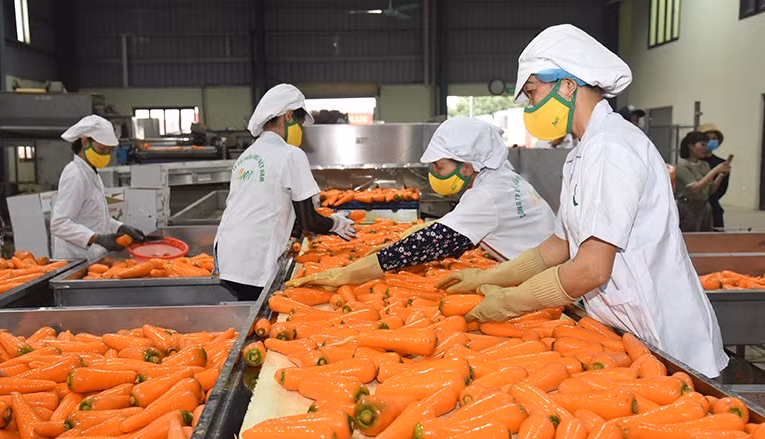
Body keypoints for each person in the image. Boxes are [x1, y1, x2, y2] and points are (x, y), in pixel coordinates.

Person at [437, 24, 727, 378]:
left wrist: (510, 303)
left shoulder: (612, 149)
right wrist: (492, 277)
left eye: (532, 93)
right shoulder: (584, 152)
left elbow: (591, 268)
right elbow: (559, 246)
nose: (531, 107)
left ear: (568, 85)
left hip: (662, 335)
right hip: (625, 330)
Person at [285, 117, 556, 288]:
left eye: (439, 166)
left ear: (467, 166)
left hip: (549, 284)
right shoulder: (499, 177)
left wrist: (348, 273)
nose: (435, 174)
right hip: (539, 272)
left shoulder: (487, 194)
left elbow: (433, 244)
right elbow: (454, 230)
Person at [213, 84, 355, 301]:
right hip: (255, 260)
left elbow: (266, 204)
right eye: (298, 122)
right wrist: (336, 223)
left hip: (227, 254)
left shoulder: (247, 155)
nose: (300, 128)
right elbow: (309, 221)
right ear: (288, 116)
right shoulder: (290, 154)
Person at [50, 115, 146, 260]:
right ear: (84, 142)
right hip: (74, 260)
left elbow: (95, 217)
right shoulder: (75, 175)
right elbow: (59, 224)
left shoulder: (91, 173)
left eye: (109, 150)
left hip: (91, 258)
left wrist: (120, 227)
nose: (106, 155)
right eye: (102, 149)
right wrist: (97, 239)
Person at [674, 131, 730, 232]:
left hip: (704, 207)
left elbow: (711, 190)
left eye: (706, 145)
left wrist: (721, 175)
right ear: (691, 146)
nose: (705, 148)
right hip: (688, 208)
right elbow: (695, 188)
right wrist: (715, 171)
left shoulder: (705, 165)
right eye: (702, 145)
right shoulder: (682, 166)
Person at [698, 123, 730, 228]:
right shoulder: (690, 163)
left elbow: (721, 189)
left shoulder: (722, 163)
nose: (711, 141)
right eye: (708, 138)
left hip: (713, 207)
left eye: (714, 138)